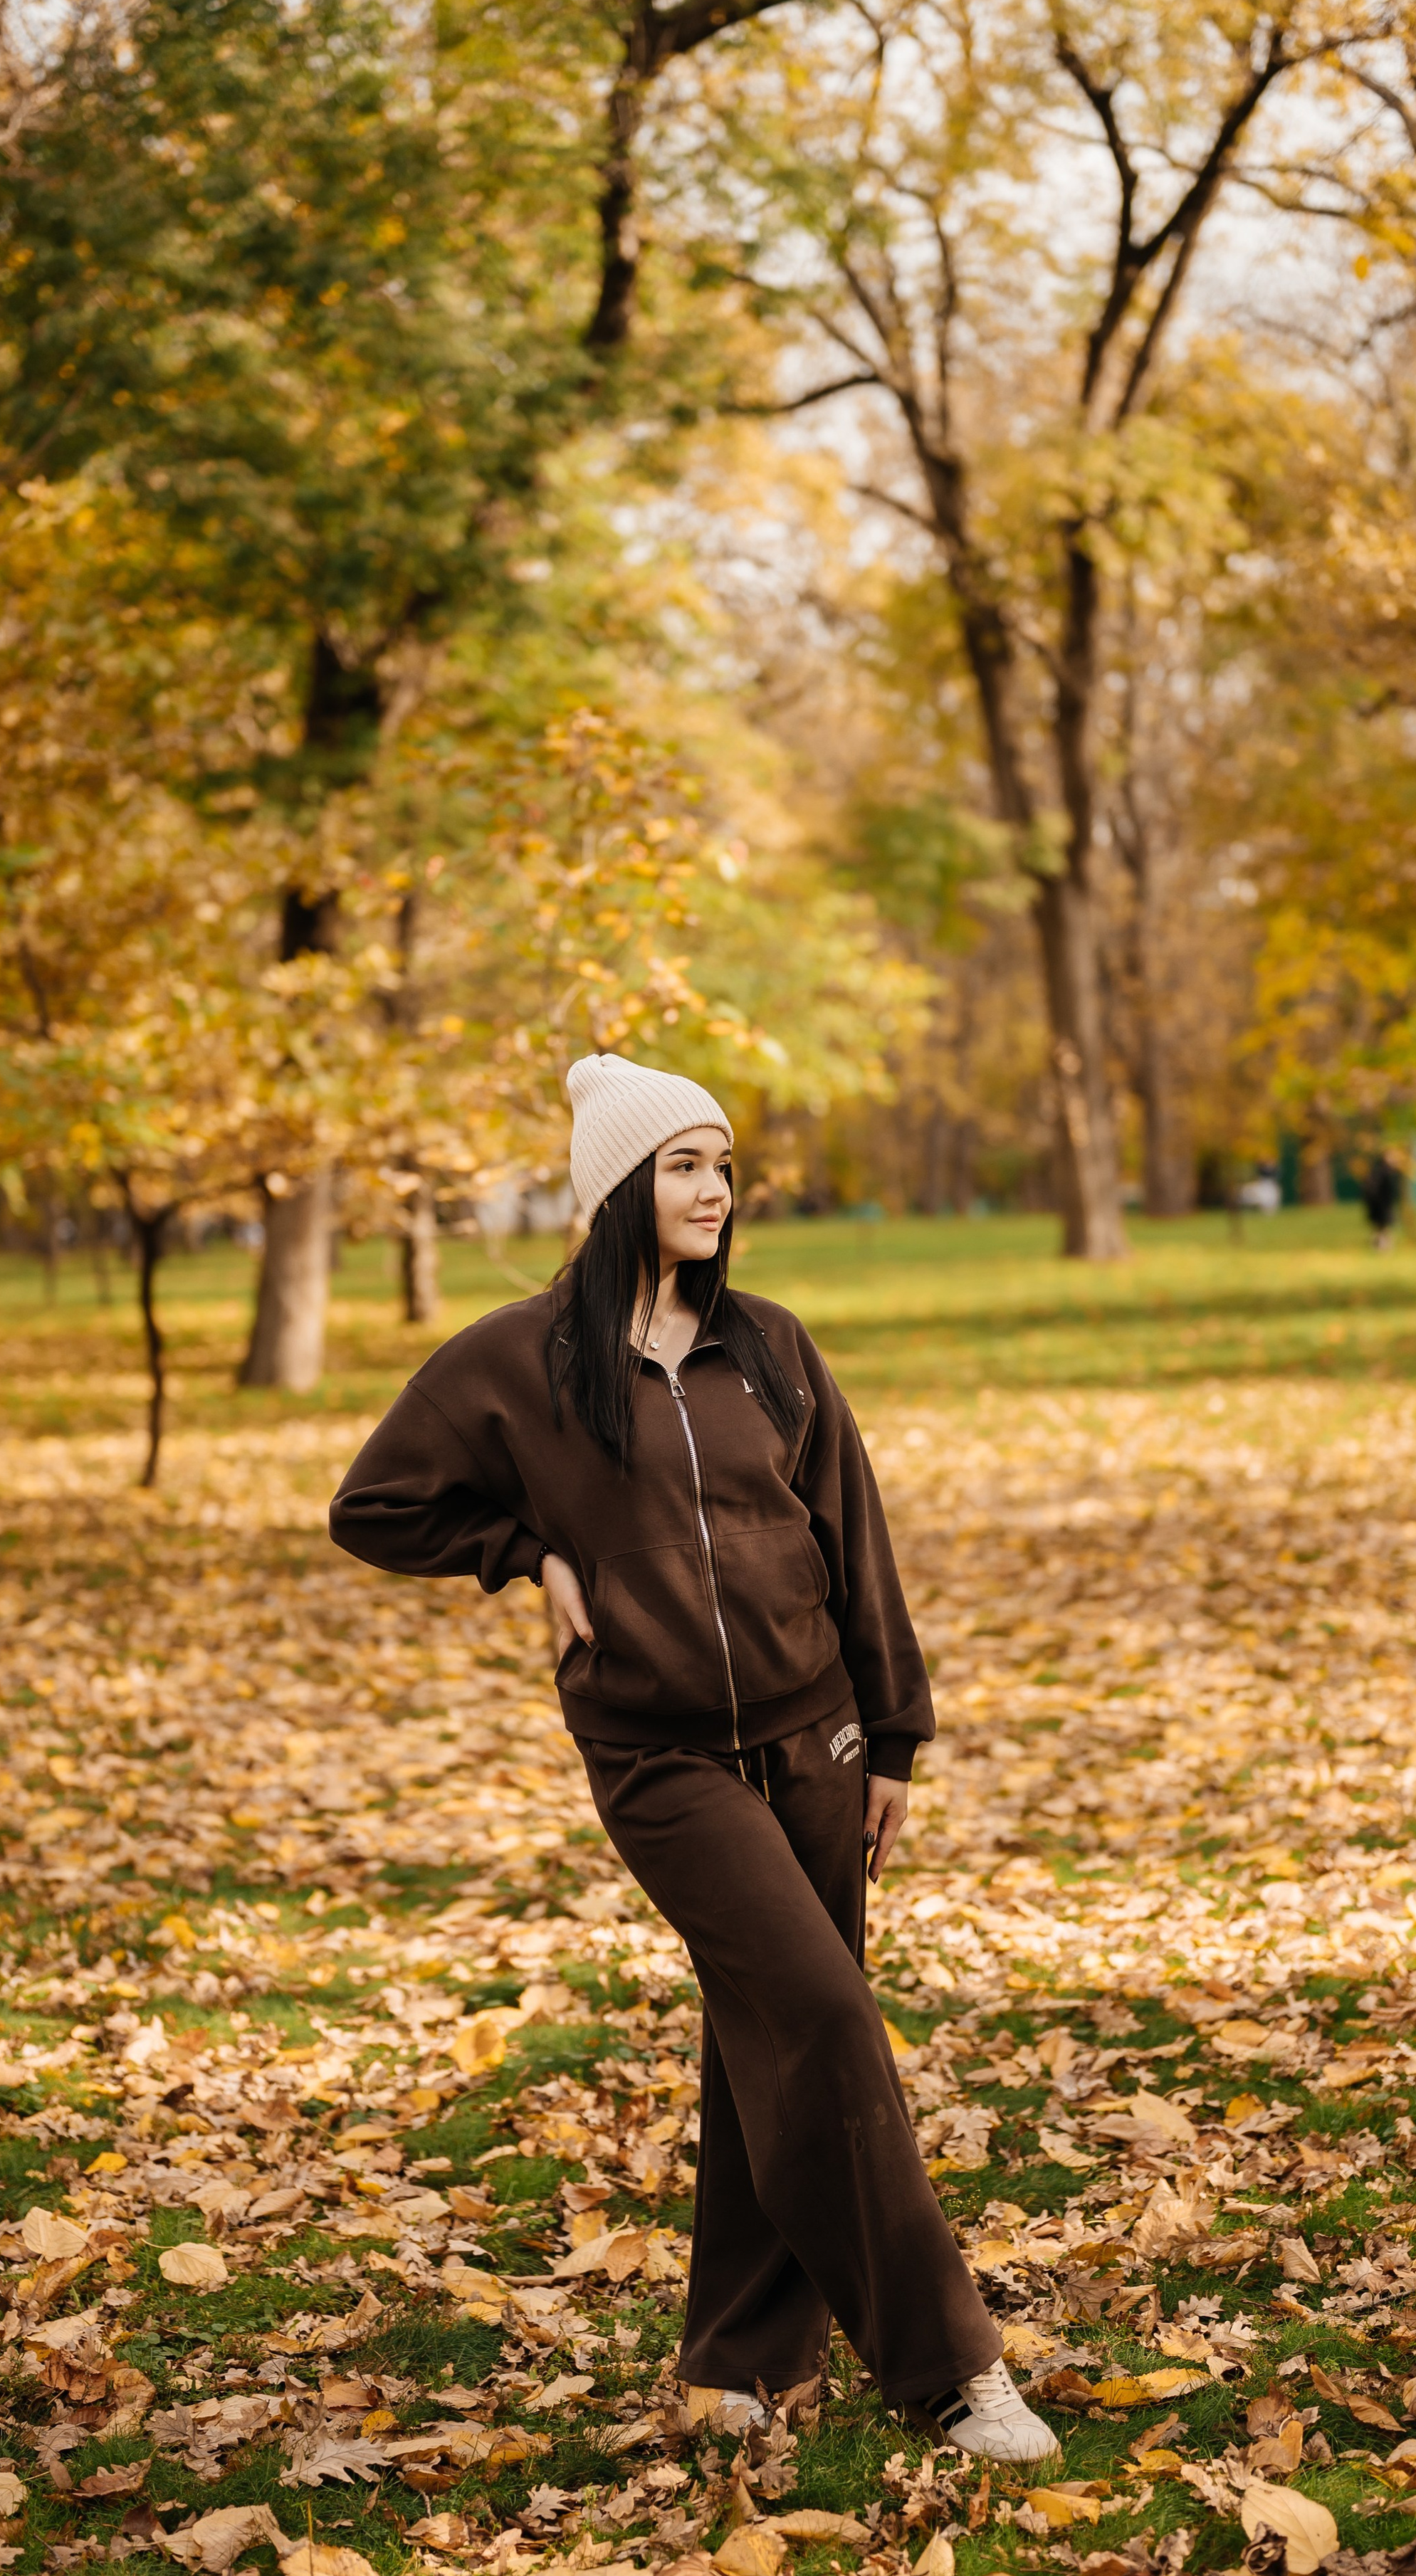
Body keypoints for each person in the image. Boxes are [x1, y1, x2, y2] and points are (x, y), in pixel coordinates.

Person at [329, 1052, 1057, 2465]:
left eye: (723, 1164)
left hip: (815, 1734)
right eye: (683, 1165)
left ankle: (738, 2357)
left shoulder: (770, 1345)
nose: (716, 1188)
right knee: (825, 2021)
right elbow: (375, 1505)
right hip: (659, 1758)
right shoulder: (520, 1363)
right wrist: (523, 1551)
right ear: (618, 1188)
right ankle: (952, 2369)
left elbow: (854, 1534)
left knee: (764, 2038)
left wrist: (892, 1735)